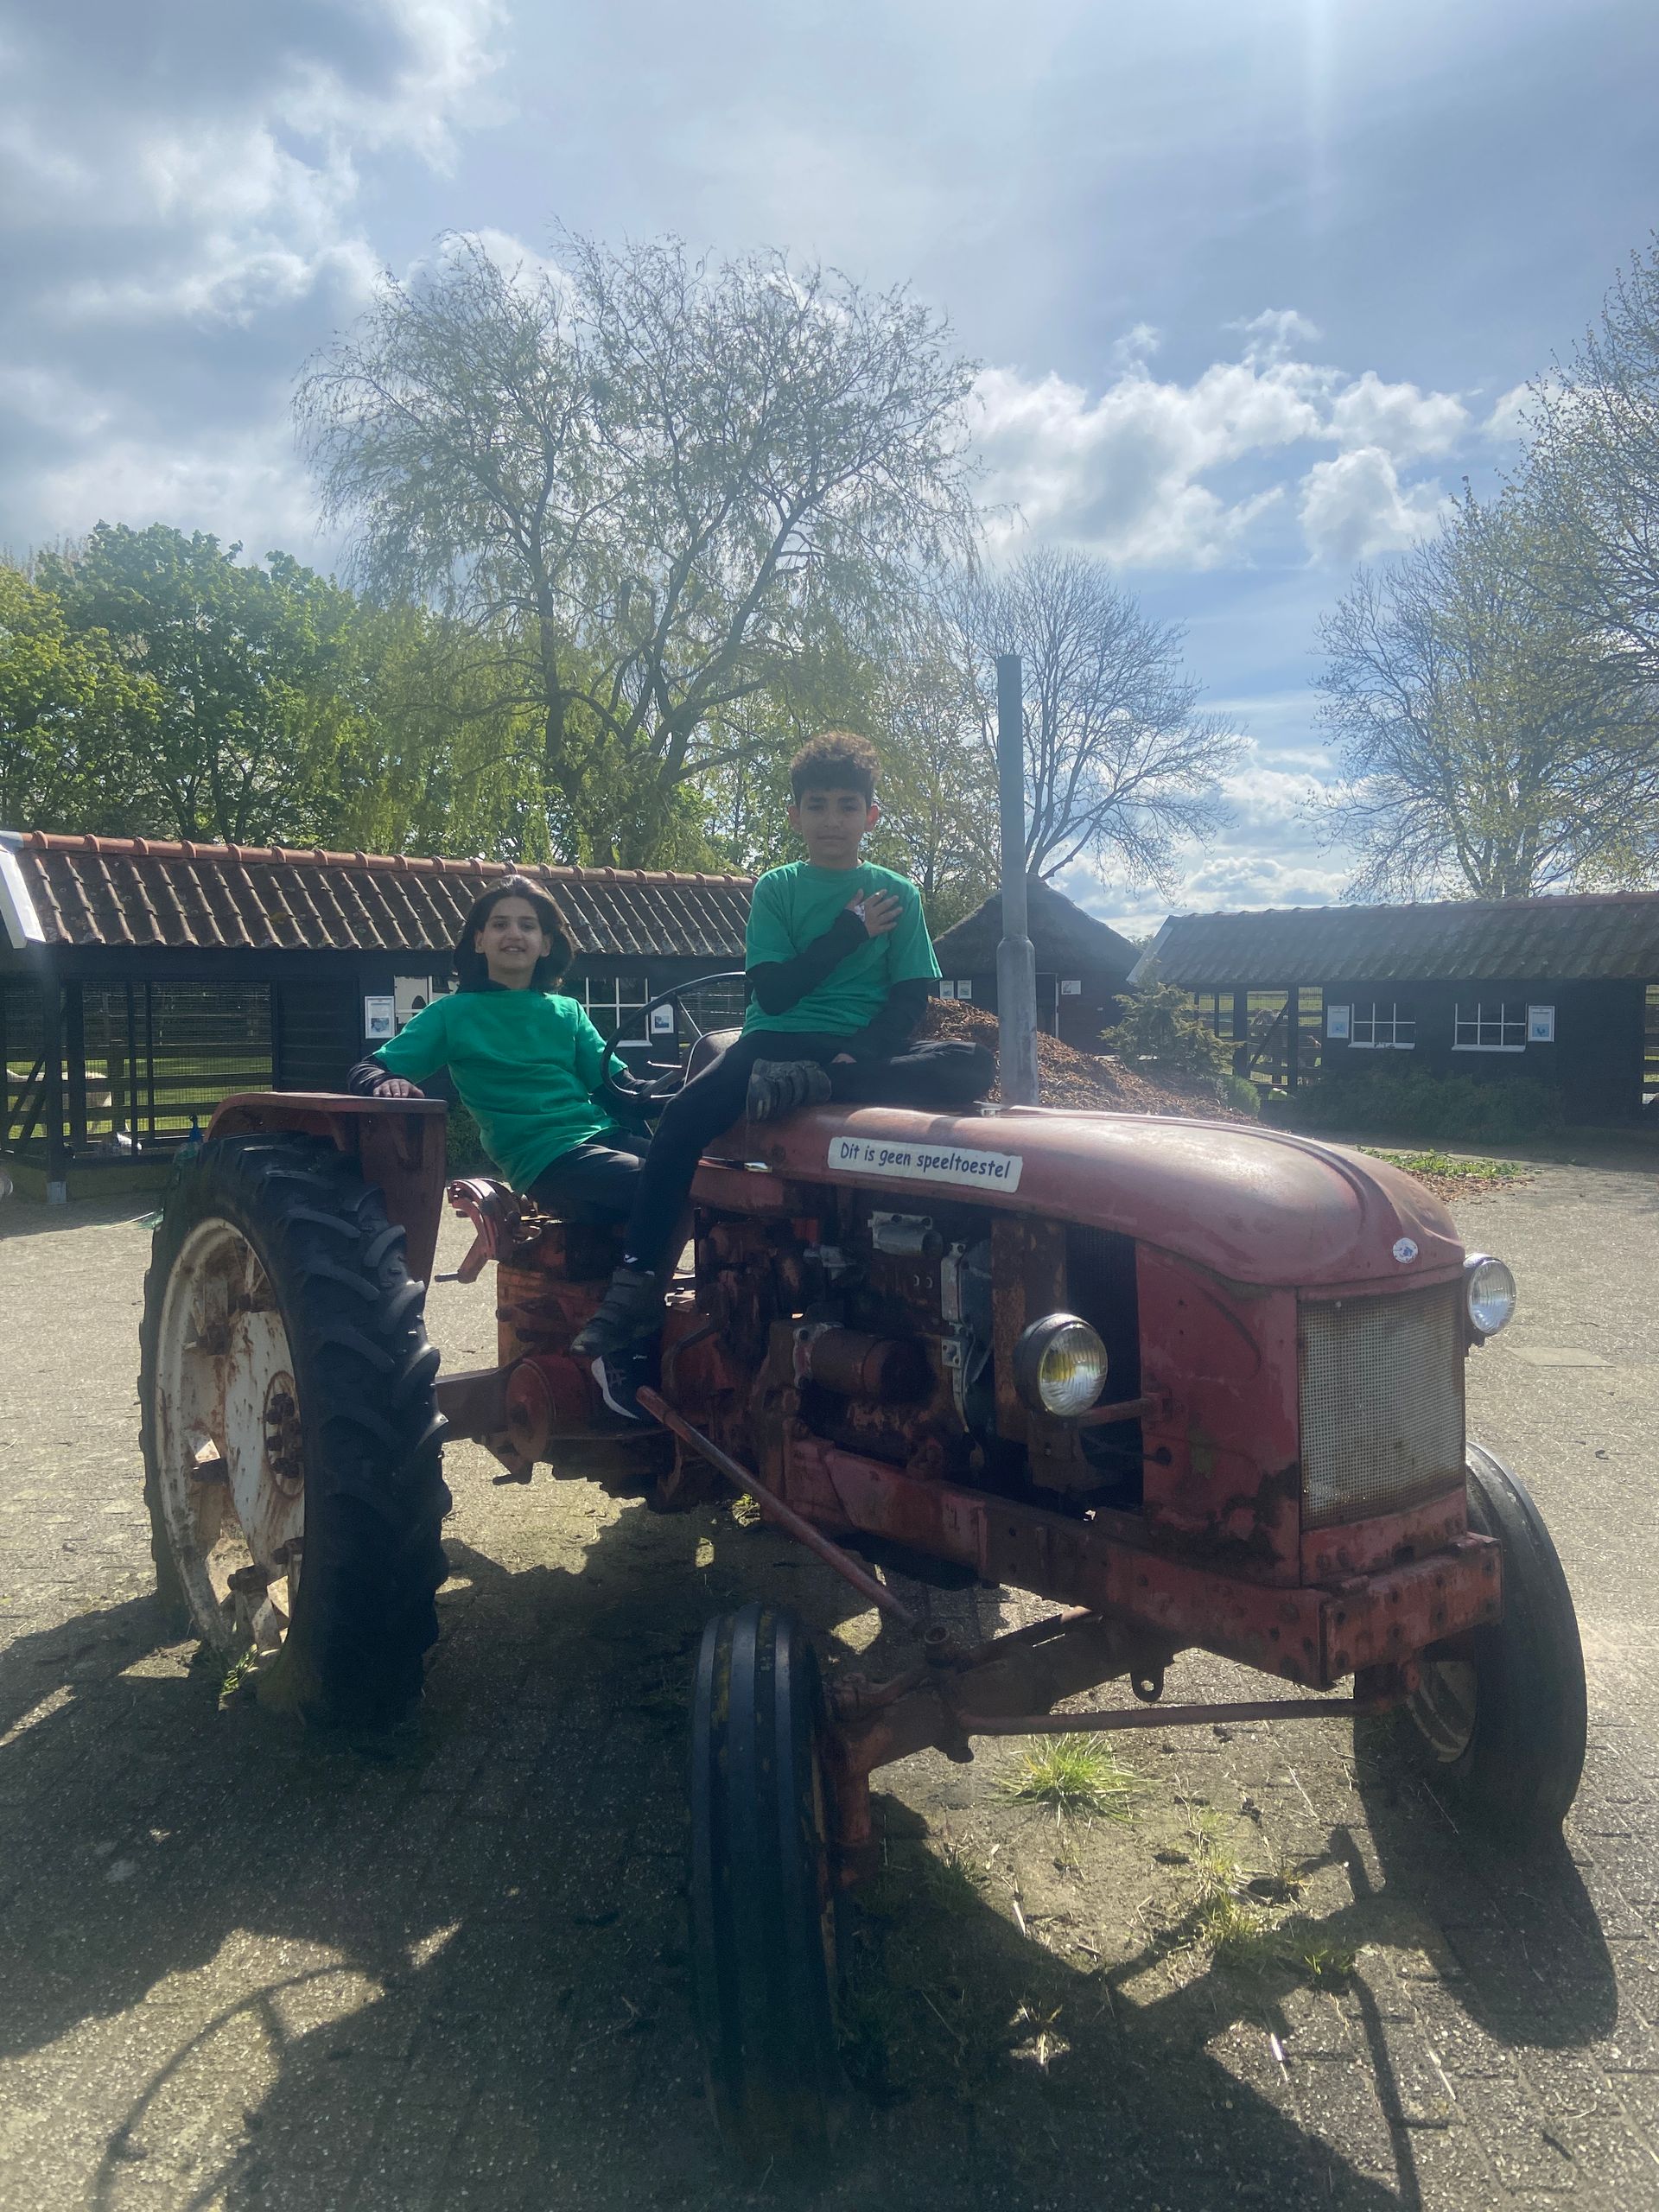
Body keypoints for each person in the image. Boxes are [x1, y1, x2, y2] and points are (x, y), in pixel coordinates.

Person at [574, 729, 994, 1413]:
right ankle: (635, 1284)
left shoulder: (899, 893)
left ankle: (830, 1084)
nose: (834, 820)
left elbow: (911, 996)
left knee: (970, 1064)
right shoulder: (779, 889)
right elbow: (773, 993)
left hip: (853, 1055)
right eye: (819, 805)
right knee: (680, 1122)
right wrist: (849, 933)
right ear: (795, 816)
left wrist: (862, 1056)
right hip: (772, 1045)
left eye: (848, 806)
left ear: (871, 817)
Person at [347, 877, 652, 1225]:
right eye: (500, 924)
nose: (514, 934)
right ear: (479, 940)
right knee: (663, 1180)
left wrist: (692, 1086)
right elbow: (371, 1068)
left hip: (605, 1138)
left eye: (528, 925)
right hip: (547, 1159)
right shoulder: (453, 1015)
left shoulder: (567, 1011)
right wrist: (384, 1083)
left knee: (714, 1175)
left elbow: (621, 1090)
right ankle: (638, 1276)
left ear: (546, 943)